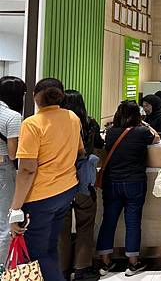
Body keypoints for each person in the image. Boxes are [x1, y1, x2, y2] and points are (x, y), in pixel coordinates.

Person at [9, 78, 83, 281]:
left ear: (35, 97)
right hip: (66, 190)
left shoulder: (32, 124)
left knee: (35, 252)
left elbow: (27, 170)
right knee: (49, 247)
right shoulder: (72, 117)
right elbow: (80, 151)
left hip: (40, 196)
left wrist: (15, 208)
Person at [96, 100, 160, 277]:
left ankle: (105, 262)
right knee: (133, 223)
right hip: (134, 182)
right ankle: (133, 263)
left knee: (108, 221)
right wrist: (144, 123)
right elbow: (156, 137)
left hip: (112, 183)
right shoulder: (141, 131)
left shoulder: (110, 132)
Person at [59, 90, 104, 281]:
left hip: (61, 181)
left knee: (61, 228)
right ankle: (81, 269)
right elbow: (100, 145)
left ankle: (61, 269)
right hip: (84, 181)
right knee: (85, 225)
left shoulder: (57, 124)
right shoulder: (90, 123)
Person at [0, 76, 26, 263]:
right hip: (3, 169)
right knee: (4, 222)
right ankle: (2, 268)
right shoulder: (13, 117)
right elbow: (12, 153)